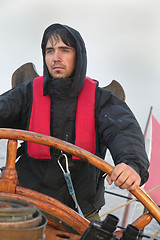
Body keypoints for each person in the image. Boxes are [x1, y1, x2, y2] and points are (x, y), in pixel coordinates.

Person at [0, 23, 149, 221]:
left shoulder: (102, 101)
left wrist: (132, 164)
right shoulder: (27, 93)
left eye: (64, 50)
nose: (56, 58)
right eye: (50, 51)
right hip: (25, 204)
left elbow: (123, 130)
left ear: (78, 55)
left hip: (81, 212)